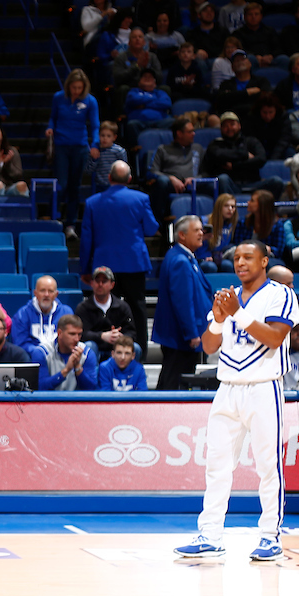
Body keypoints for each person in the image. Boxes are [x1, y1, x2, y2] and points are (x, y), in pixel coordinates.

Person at [175, 240, 298, 560]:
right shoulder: (230, 296)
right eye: (237, 257)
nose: (240, 262)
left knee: (268, 466)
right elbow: (209, 344)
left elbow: (273, 338)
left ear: (264, 261)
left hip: (263, 387)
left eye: (248, 257)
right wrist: (217, 317)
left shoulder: (281, 294)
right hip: (227, 388)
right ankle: (210, 533)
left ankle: (270, 535)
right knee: (216, 465)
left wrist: (237, 314)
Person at [79, 160, 156, 351]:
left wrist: (85, 268)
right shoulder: (141, 199)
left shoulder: (92, 202)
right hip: (133, 263)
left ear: (109, 177)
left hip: (105, 265)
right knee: (137, 309)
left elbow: (86, 239)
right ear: (129, 179)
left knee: (106, 308)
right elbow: (152, 228)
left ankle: (107, 351)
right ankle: (139, 353)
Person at [153, 214, 215, 390]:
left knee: (171, 379)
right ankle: (163, 416)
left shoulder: (184, 257)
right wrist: (191, 333)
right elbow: (182, 301)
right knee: (174, 383)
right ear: (182, 235)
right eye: (196, 230)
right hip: (181, 337)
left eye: (201, 230)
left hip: (182, 336)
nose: (201, 233)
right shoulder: (180, 260)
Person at [46, 69, 100, 239]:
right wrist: (50, 128)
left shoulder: (91, 101)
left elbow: (95, 125)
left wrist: (95, 144)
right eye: (74, 87)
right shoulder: (58, 97)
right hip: (61, 145)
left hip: (80, 146)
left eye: (79, 88)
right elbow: (53, 117)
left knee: (74, 187)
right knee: (61, 184)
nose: (76, 91)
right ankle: (53, 218)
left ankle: (70, 224)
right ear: (68, 85)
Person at [202, 111, 287, 198]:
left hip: (254, 184)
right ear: (221, 128)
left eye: (232, 124)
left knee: (276, 181)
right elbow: (218, 155)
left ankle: (267, 211)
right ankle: (229, 208)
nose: (229, 128)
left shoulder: (251, 142)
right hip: (231, 185)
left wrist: (235, 165)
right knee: (223, 179)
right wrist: (245, 155)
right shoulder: (215, 144)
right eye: (225, 126)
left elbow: (261, 159)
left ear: (239, 125)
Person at [147, 118, 204, 229]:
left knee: (216, 182)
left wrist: (195, 179)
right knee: (161, 182)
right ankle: (156, 226)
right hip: (171, 186)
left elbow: (206, 172)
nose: (194, 134)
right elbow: (152, 172)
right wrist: (171, 178)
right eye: (190, 131)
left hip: (194, 185)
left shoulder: (198, 148)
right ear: (179, 133)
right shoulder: (163, 149)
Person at [76, 265, 136, 360]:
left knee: (135, 348)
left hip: (117, 347)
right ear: (92, 283)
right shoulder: (83, 308)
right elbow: (80, 334)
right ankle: (92, 374)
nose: (100, 284)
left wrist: (120, 337)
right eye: (97, 281)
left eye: (104, 281)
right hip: (95, 347)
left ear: (112, 285)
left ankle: (129, 375)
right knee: (89, 346)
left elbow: (132, 332)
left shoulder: (122, 307)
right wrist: (102, 336)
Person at [31, 314, 99, 391]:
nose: (77, 339)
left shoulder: (87, 353)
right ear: (59, 333)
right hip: (49, 401)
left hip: (76, 401)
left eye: (79, 334)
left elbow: (92, 389)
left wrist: (78, 368)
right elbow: (40, 387)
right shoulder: (42, 352)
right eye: (72, 334)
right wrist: (66, 370)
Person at [11, 275, 73, 353]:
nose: (46, 295)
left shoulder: (66, 313)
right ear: (35, 293)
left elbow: (71, 339)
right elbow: (20, 344)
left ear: (56, 294)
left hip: (60, 358)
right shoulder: (23, 314)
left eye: (50, 291)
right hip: (33, 358)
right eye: (42, 290)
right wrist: (40, 352)